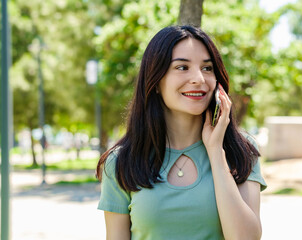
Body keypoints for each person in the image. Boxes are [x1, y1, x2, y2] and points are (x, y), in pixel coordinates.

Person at [96, 25, 267, 240]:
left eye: (207, 68)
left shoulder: (241, 151)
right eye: (182, 67)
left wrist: (215, 152)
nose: (199, 78)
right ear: (156, 81)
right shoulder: (121, 162)